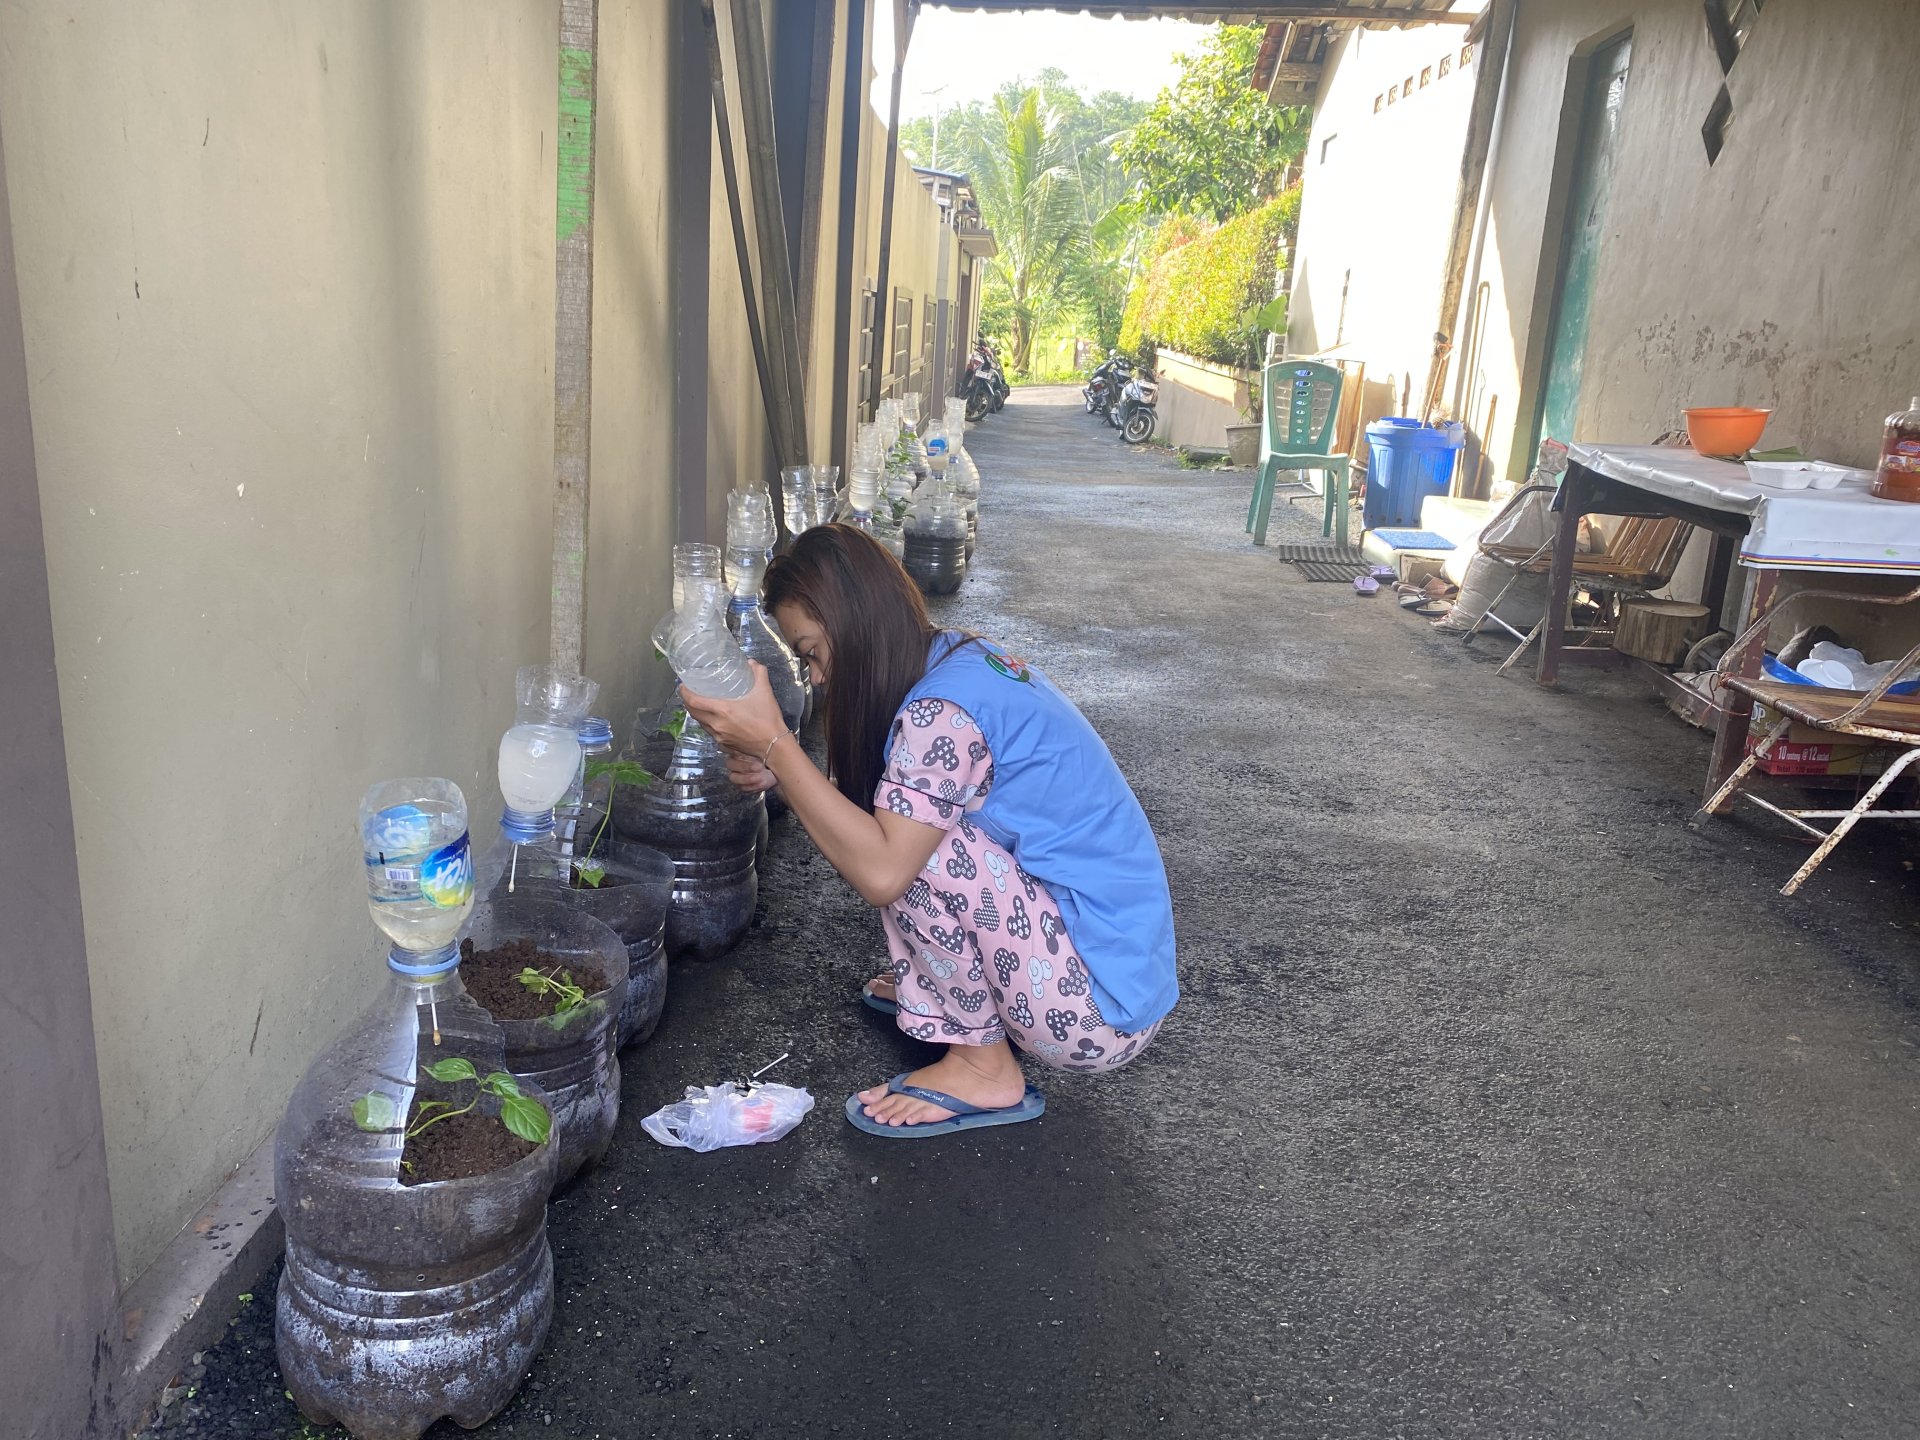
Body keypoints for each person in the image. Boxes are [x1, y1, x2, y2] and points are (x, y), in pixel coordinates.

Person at [679, 524, 1177, 1137]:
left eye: (811, 652)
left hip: (1097, 1015)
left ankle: (983, 1066)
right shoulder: (952, 660)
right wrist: (782, 773)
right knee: (909, 829)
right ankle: (955, 1002)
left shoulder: (939, 715)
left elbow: (884, 870)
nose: (815, 677)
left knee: (919, 853)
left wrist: (778, 747)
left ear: (856, 621)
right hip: (1108, 964)